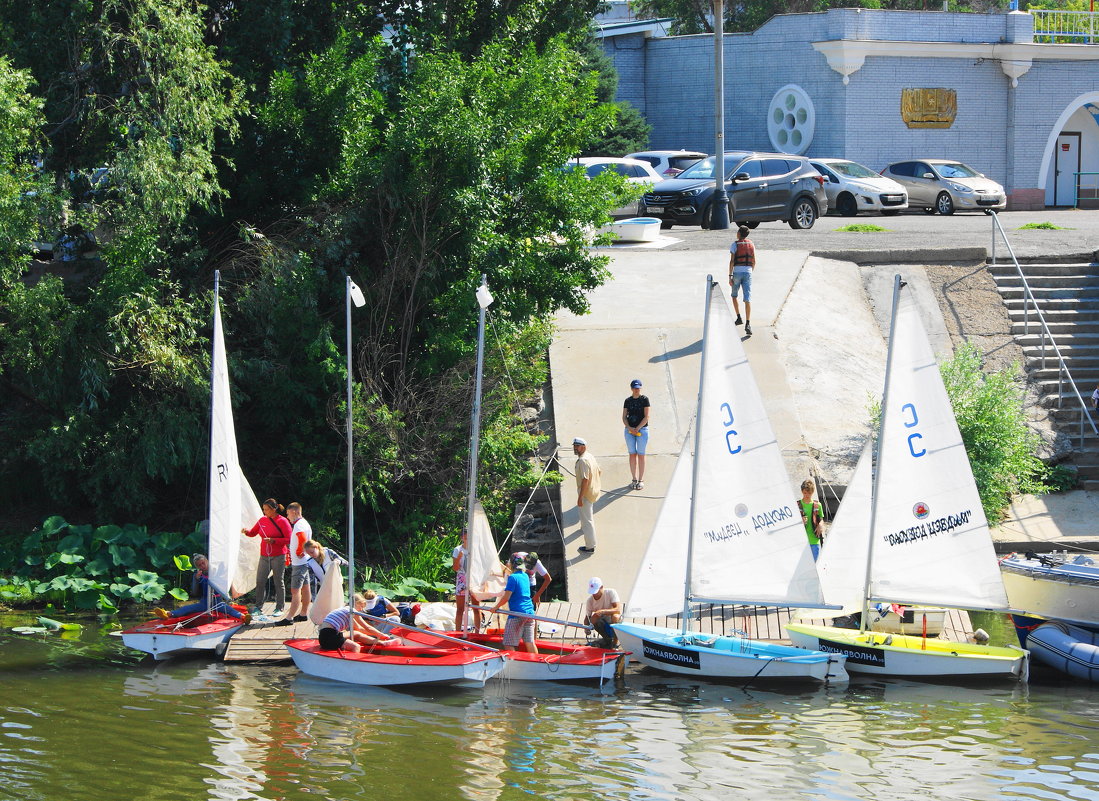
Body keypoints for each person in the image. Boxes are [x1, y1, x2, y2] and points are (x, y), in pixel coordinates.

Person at [153, 554, 250, 624]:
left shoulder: (217, 571)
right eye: (199, 565)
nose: (202, 566)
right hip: (204, 602)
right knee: (187, 608)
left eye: (203, 563)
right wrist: (196, 579)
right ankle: (168, 614)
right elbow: (194, 592)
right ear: (197, 567)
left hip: (218, 602)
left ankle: (243, 617)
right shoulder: (197, 575)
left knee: (229, 610)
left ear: (207, 561)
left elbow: (227, 579)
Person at [242, 499, 292, 615]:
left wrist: (273, 540)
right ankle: (258, 607)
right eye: (263, 509)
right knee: (260, 581)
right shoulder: (262, 520)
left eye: (266, 510)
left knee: (278, 581)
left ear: (274, 509)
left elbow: (289, 539)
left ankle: (279, 608)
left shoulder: (283, 521)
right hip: (264, 556)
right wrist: (246, 532)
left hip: (279, 556)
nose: (264, 512)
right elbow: (253, 533)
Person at [487, 553, 539, 654]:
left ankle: (513, 663)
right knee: (529, 642)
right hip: (530, 612)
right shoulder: (525, 576)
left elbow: (506, 597)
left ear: (511, 564)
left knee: (508, 643)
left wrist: (495, 607)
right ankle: (537, 663)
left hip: (517, 614)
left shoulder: (512, 578)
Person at [317, 593, 396, 653]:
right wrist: (381, 635)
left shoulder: (345, 610)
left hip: (324, 636)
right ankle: (352, 667)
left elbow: (359, 629)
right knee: (356, 646)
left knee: (356, 633)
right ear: (357, 603)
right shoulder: (352, 611)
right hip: (330, 636)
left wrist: (378, 636)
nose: (361, 610)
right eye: (361, 607)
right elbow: (367, 627)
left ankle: (382, 643)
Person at [276, 501, 313, 626]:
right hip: (303, 561)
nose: (287, 517)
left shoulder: (299, 525)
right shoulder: (304, 523)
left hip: (299, 563)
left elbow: (302, 538)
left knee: (295, 590)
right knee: (306, 588)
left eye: (288, 514)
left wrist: (298, 551)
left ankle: (289, 617)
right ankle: (303, 614)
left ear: (294, 512)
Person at [573, 437, 602, 554]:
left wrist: (580, 497)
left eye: (578, 446)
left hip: (586, 494)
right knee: (586, 516)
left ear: (583, 447)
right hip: (592, 491)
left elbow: (585, 479)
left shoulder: (582, 461)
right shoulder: (589, 456)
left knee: (588, 521)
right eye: (574, 446)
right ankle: (582, 528)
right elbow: (599, 471)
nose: (575, 448)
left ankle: (590, 546)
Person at [622, 379, 651, 490]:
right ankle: (634, 478)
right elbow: (624, 416)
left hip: (642, 430)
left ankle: (641, 479)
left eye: (638, 387)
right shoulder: (627, 401)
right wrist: (629, 427)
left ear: (641, 388)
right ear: (631, 388)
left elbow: (646, 416)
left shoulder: (645, 399)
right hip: (629, 430)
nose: (636, 389)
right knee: (632, 454)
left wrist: (638, 428)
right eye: (634, 387)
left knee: (641, 454)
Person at [728, 224, 756, 336]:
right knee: (747, 298)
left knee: (734, 295)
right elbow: (754, 261)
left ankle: (739, 317)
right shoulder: (751, 244)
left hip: (737, 273)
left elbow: (732, 261)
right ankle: (748, 324)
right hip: (748, 272)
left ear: (739, 233)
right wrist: (750, 271)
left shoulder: (734, 245)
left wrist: (730, 276)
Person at [452, 529, 482, 632]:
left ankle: (478, 633)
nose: (467, 540)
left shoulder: (476, 549)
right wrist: (458, 558)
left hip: (474, 580)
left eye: (469, 538)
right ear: (462, 538)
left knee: (476, 608)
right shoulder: (457, 550)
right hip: (462, 580)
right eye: (465, 538)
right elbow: (455, 568)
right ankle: (457, 632)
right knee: (460, 608)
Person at [584, 577, 622, 649]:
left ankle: (615, 643)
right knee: (594, 617)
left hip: (612, 617)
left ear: (601, 587)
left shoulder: (611, 592)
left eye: (596, 592)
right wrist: (586, 628)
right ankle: (607, 640)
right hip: (601, 620)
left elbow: (618, 609)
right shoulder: (589, 600)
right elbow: (587, 617)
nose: (594, 595)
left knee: (616, 617)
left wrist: (602, 611)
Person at [798, 479, 825, 561]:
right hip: (800, 541)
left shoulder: (818, 505)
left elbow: (821, 519)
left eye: (809, 493)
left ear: (812, 492)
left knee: (814, 565)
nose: (807, 495)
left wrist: (821, 525)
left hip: (814, 540)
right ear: (802, 491)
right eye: (805, 493)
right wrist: (800, 521)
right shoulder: (797, 505)